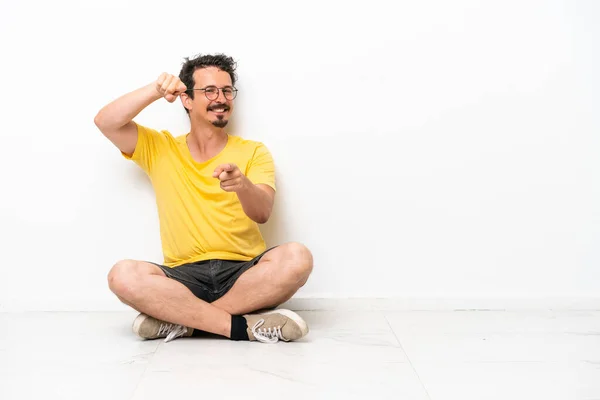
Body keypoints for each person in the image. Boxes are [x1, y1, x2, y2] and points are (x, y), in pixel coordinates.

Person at [94, 54, 313, 344]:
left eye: (226, 90)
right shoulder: (160, 147)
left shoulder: (254, 151)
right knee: (122, 275)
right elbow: (105, 122)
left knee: (298, 257)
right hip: (184, 278)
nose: (220, 98)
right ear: (186, 99)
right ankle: (240, 327)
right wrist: (155, 90)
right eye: (209, 91)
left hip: (243, 274)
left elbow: (262, 213)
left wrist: (243, 185)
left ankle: (184, 321)